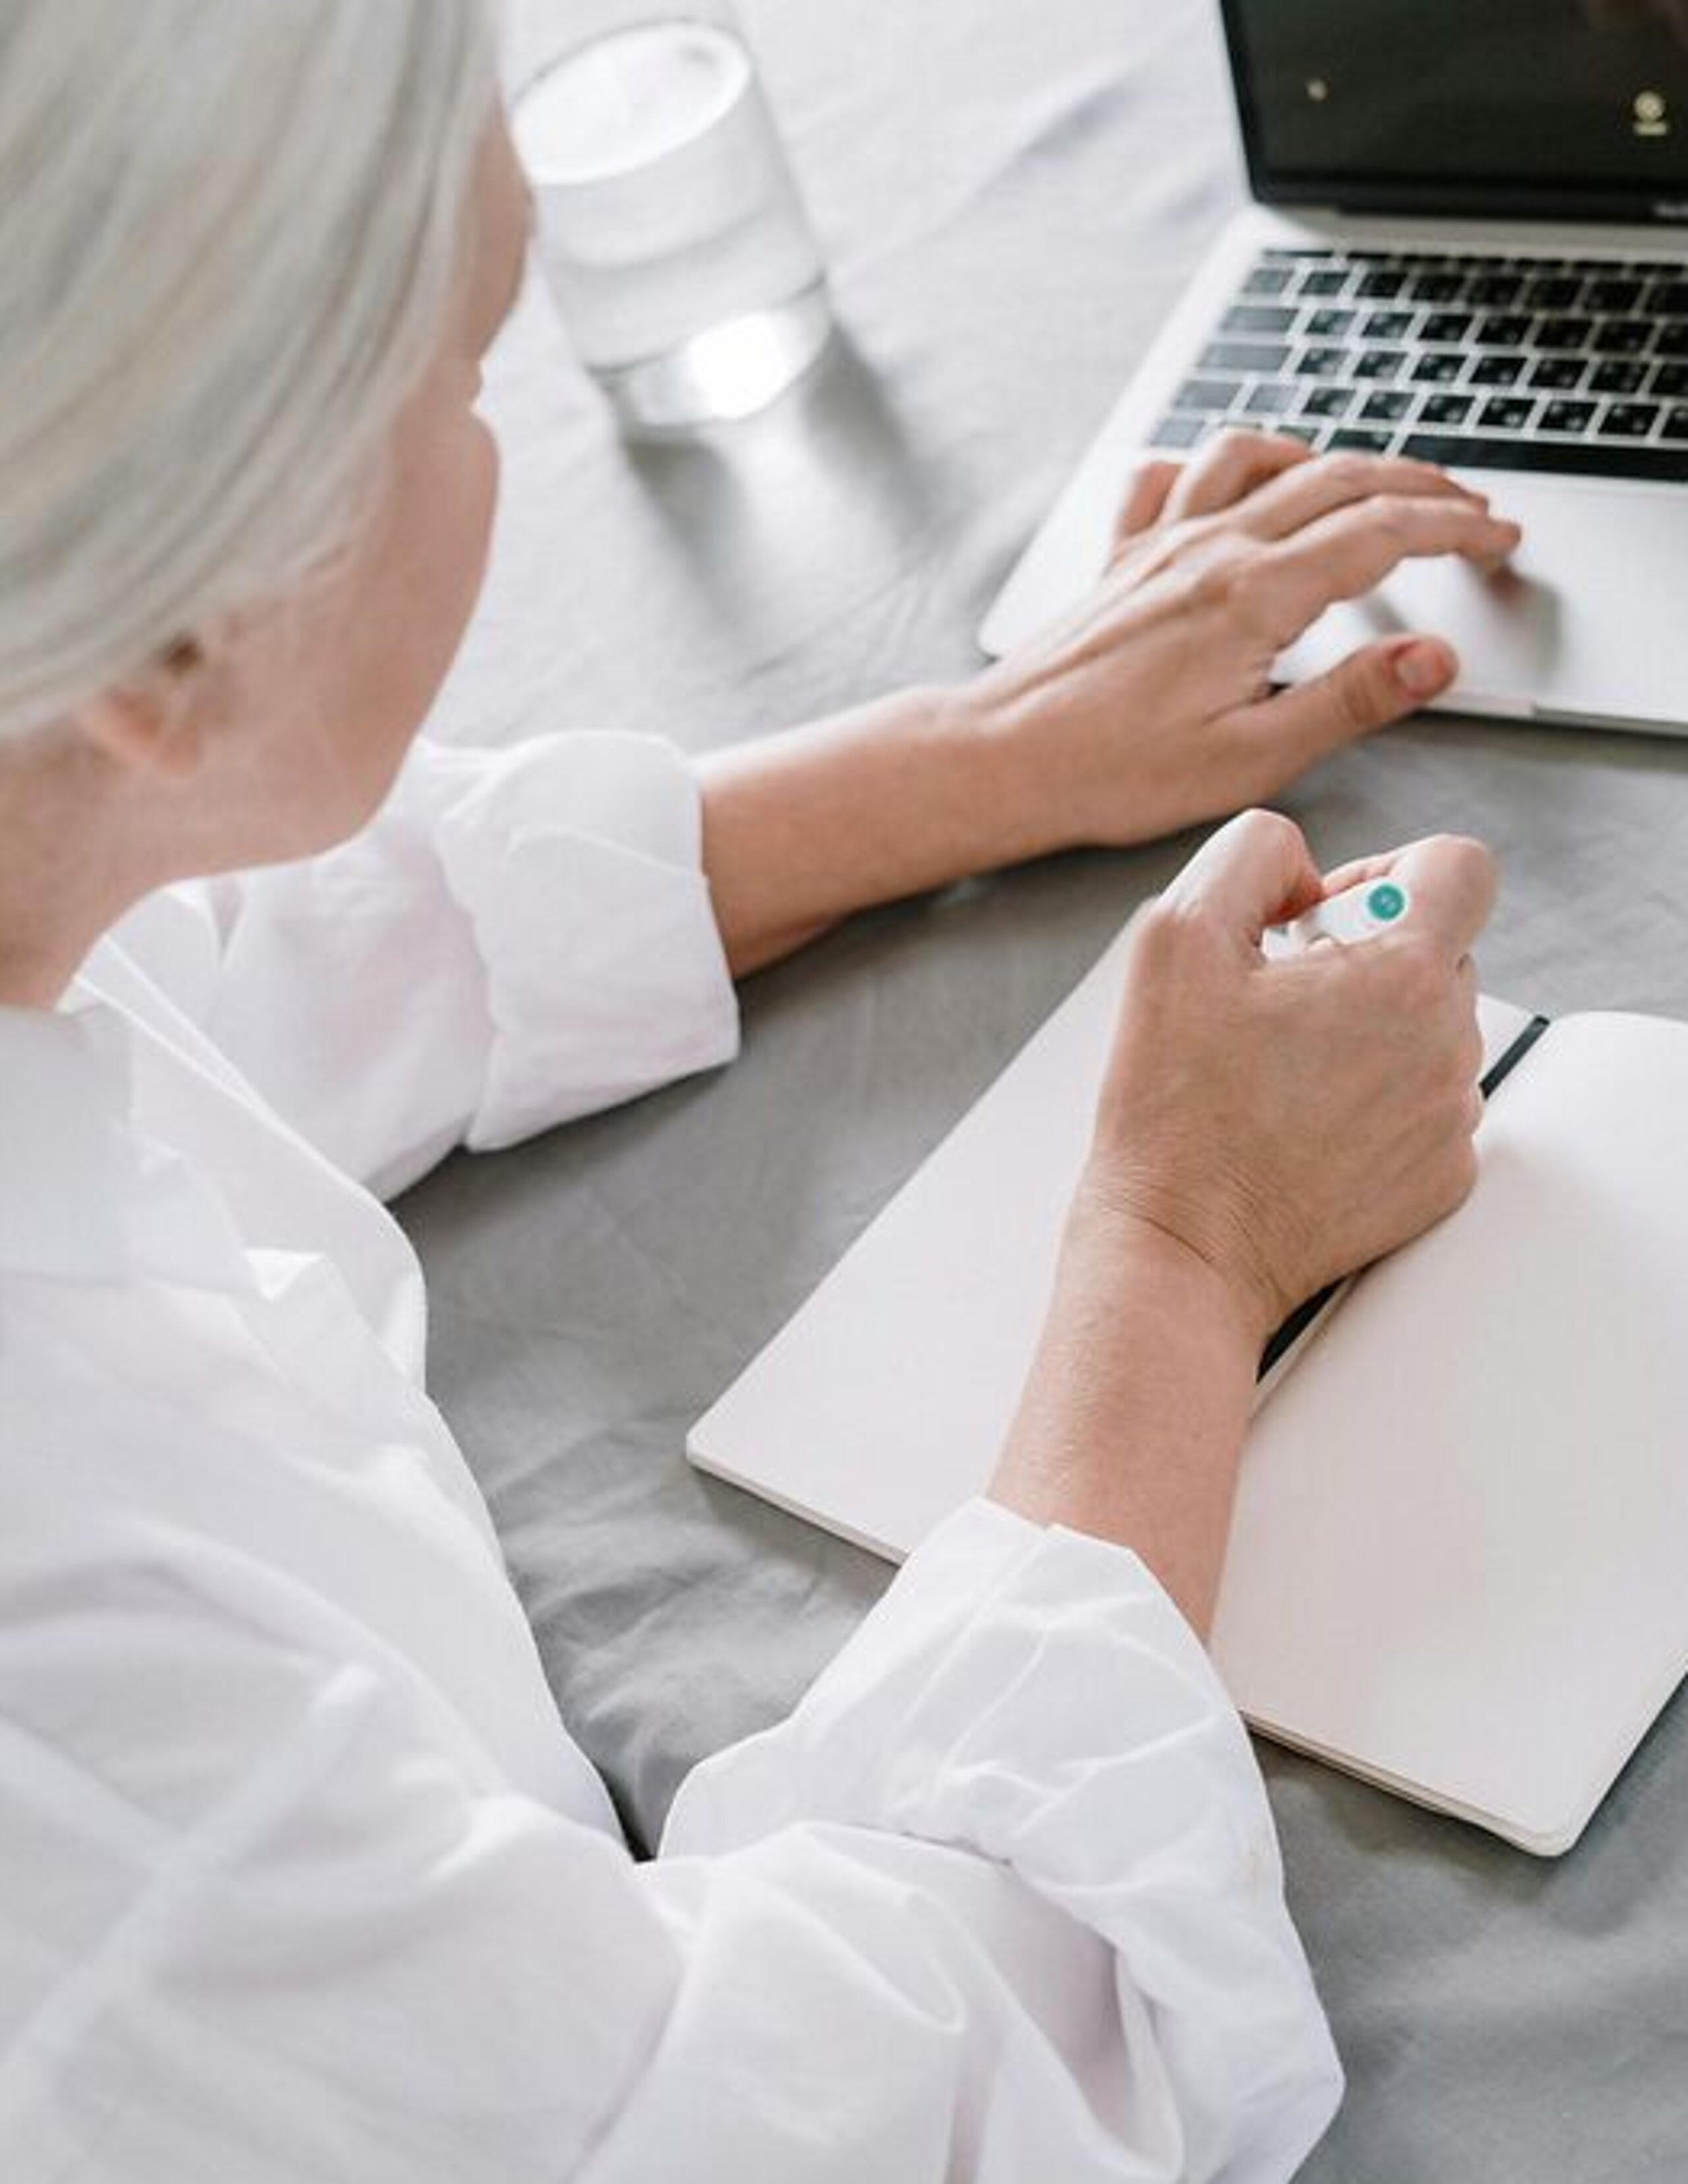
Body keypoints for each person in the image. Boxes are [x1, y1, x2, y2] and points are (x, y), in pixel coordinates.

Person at [0, 5, 1508, 2178]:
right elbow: (857, 2113)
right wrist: (1190, 1243)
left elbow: (209, 938)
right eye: (469, 375)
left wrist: (991, 752)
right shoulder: (91, 1712)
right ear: (163, 635)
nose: (498, 431)